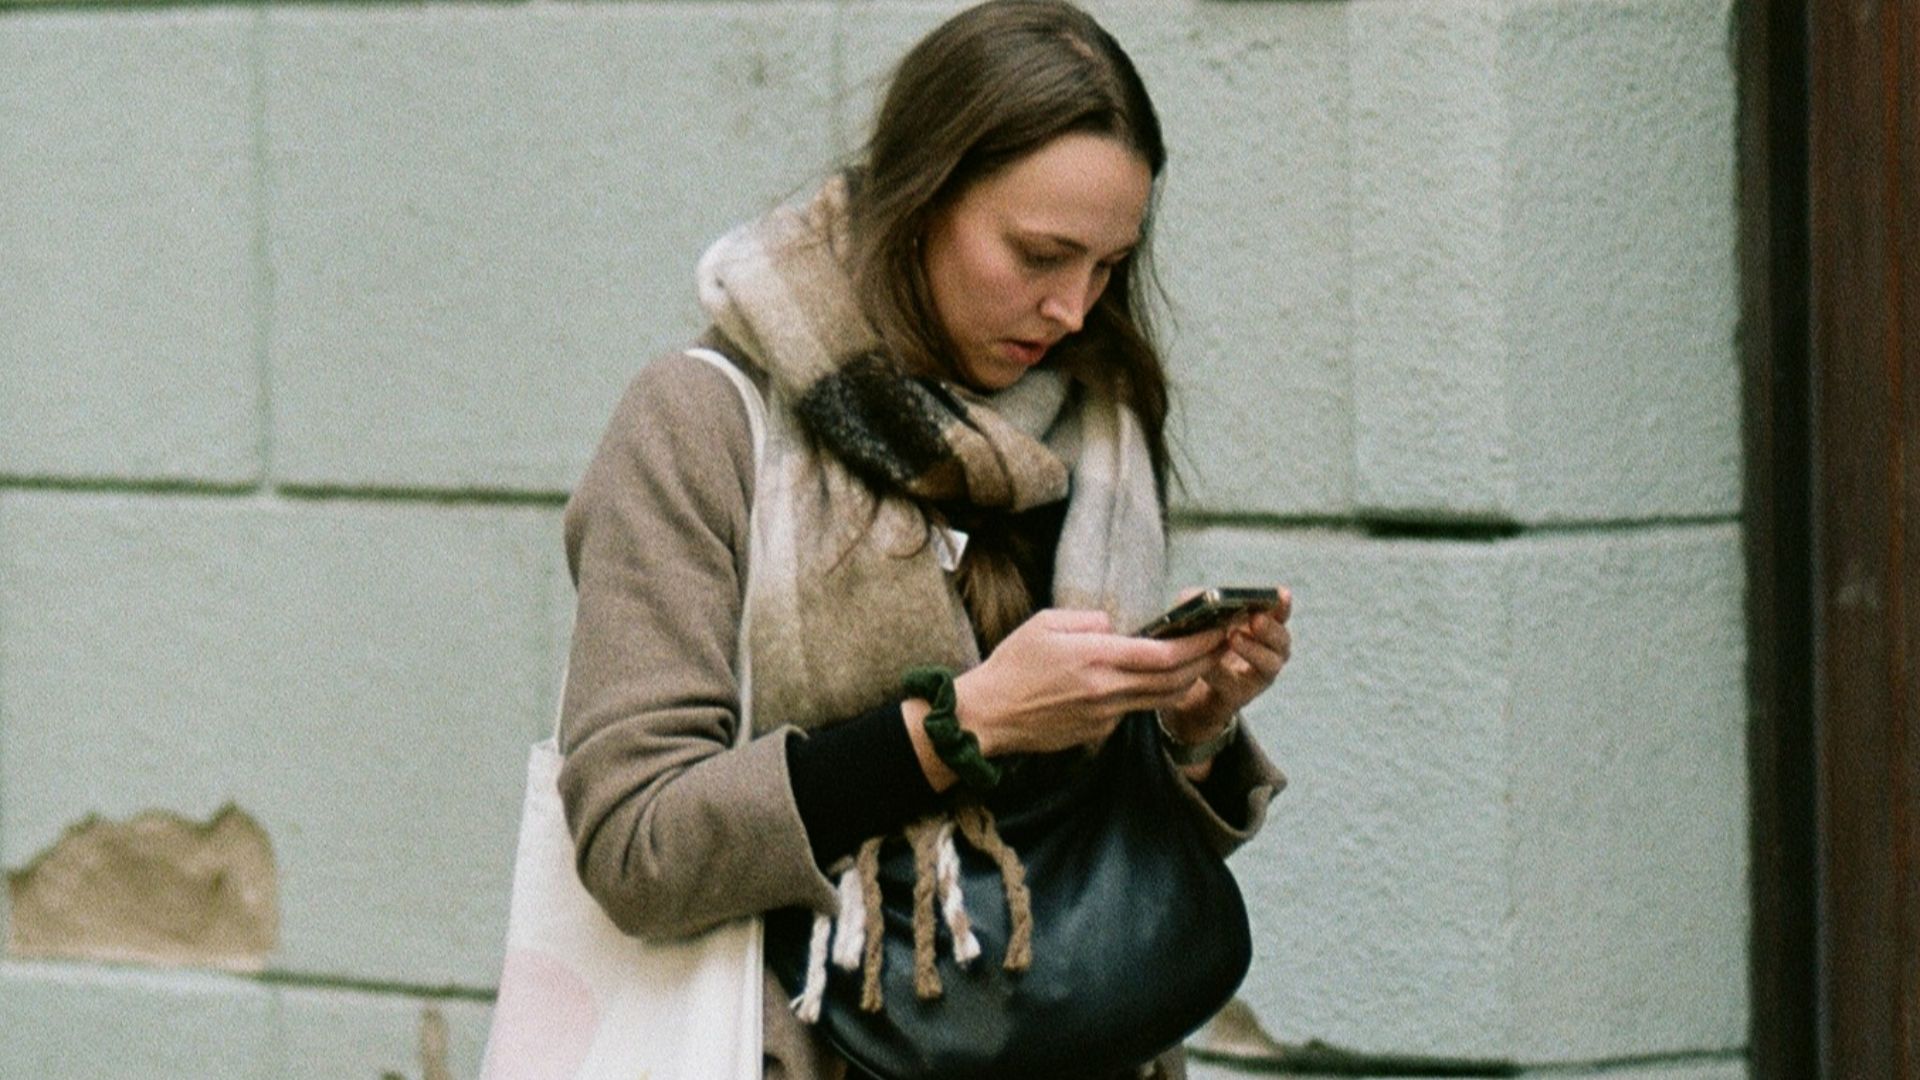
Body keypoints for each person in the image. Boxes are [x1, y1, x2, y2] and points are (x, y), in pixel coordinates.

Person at [557, 2, 1292, 1076]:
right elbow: (637, 842)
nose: (1073, 308)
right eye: (1040, 255)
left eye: (1107, 265)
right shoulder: (702, 422)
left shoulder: (1092, 428)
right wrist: (964, 725)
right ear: (920, 199)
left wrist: (1182, 728)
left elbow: (1071, 848)